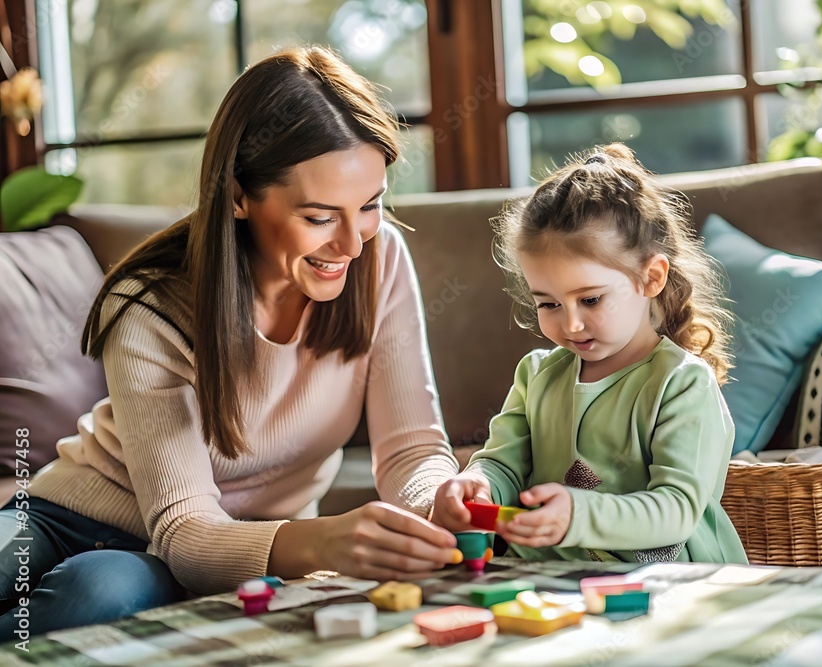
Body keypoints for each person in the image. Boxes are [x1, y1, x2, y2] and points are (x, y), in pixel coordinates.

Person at [0, 46, 463, 635]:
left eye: (369, 205)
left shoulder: (381, 260)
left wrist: (441, 500)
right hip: (68, 514)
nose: (352, 242)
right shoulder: (151, 301)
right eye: (320, 217)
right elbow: (187, 528)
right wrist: (323, 542)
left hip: (185, 559)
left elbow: (411, 452)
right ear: (239, 196)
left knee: (100, 592)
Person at [432, 144, 748, 566]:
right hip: (552, 581)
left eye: (592, 300)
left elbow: (676, 509)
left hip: (672, 588)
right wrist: (477, 484)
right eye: (548, 304)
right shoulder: (536, 375)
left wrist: (577, 514)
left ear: (650, 277)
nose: (571, 324)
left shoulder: (681, 384)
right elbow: (503, 464)